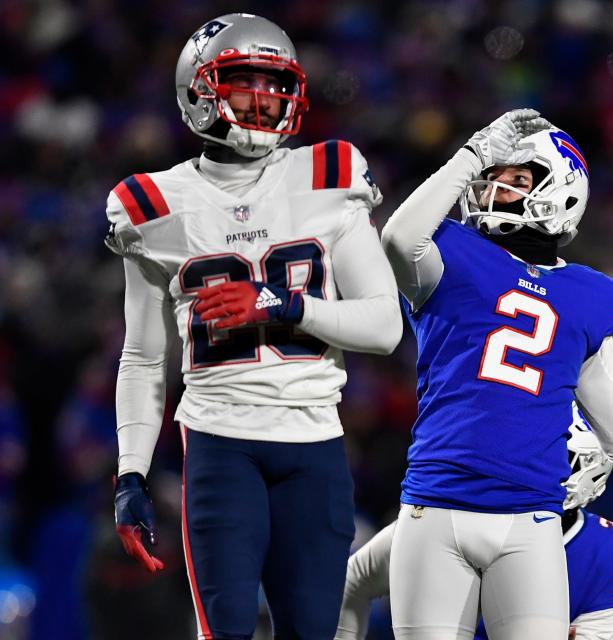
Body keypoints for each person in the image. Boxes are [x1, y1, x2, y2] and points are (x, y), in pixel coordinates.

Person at [379, 109, 613, 639]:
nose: (493, 187)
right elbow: (397, 238)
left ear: (561, 191)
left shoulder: (590, 295)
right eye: (493, 176)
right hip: (434, 506)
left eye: (515, 178)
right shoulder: (452, 254)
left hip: (531, 519)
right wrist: (473, 155)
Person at [106, 13, 402, 639]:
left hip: (315, 441)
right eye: (247, 82)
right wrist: (131, 471)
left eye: (277, 84)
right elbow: (141, 357)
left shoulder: (329, 175)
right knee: (226, 632)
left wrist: (283, 304)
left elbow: (383, 326)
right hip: (219, 442)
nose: (267, 100)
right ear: (200, 92)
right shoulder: (153, 204)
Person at [335, 407, 613, 640]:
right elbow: (354, 579)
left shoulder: (608, 553)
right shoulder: (453, 516)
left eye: (549, 454)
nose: (526, 464)